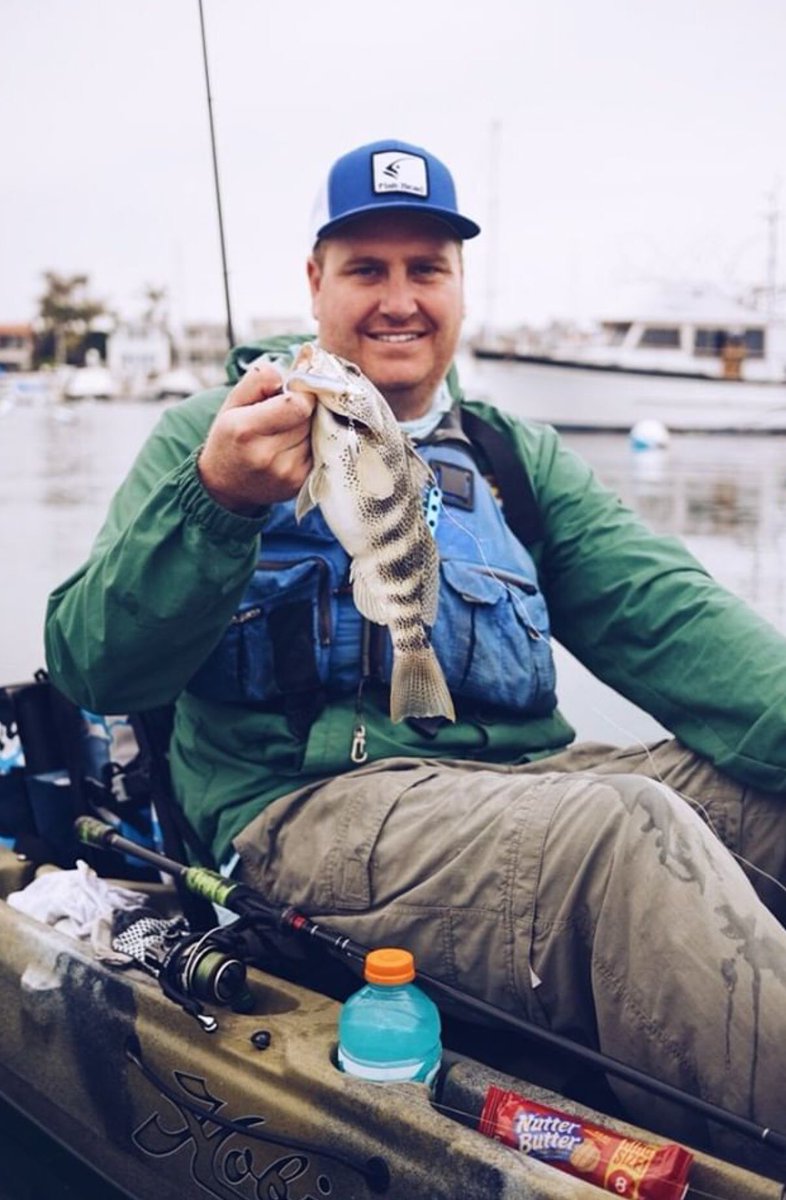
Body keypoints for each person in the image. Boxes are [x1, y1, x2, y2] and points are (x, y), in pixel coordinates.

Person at [45, 139, 786, 1175]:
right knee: (623, 834)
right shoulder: (215, 435)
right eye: (366, 269)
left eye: (426, 267)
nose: (399, 300)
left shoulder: (512, 460)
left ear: (462, 287)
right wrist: (216, 504)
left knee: (760, 798)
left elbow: (679, 622)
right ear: (315, 282)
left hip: (520, 797)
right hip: (300, 816)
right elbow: (92, 668)